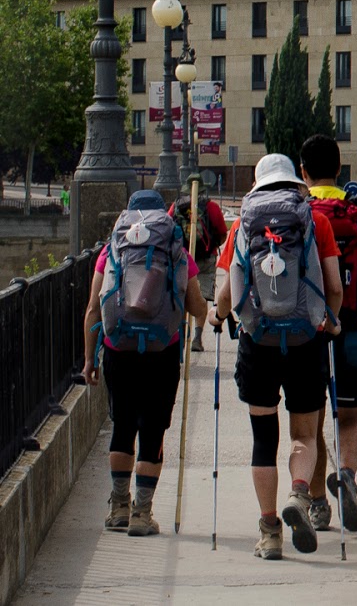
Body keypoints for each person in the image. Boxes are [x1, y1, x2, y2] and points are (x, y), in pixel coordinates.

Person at [207, 153, 342, 560]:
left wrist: (217, 316)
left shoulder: (242, 224)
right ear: (294, 182)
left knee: (264, 441)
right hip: (306, 340)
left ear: (258, 184)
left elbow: (228, 293)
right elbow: (334, 286)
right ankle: (299, 495)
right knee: (305, 435)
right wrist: (331, 322)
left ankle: (269, 532)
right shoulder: (315, 221)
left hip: (259, 341)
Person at [80, 189, 208, 536]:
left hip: (118, 349)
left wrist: (90, 359)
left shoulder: (111, 251)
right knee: (153, 431)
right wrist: (199, 312)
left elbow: (93, 308)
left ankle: (118, 508)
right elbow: (197, 306)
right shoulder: (177, 249)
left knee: (122, 427)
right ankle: (142, 513)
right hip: (162, 351)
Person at [300, 134, 357, 533]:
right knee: (352, 417)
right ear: (339, 169)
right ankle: (348, 476)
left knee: (310, 424)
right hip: (352, 327)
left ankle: (318, 504)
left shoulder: (298, 209)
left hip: (307, 332)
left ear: (303, 171)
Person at [171, 189, 227, 352]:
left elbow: (168, 231)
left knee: (182, 295)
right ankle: (197, 337)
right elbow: (222, 233)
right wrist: (211, 245)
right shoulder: (211, 207)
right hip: (206, 259)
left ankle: (181, 334)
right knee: (201, 298)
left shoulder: (176, 206)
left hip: (182, 258)